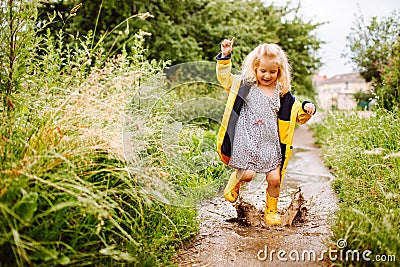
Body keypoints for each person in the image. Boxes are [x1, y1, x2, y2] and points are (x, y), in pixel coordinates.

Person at [216, 38, 316, 225]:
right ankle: (235, 183)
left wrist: (307, 108)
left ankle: (271, 210)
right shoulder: (245, 85)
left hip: (271, 143)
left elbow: (297, 114)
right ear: (255, 68)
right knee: (248, 175)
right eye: (263, 71)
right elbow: (225, 79)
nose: (267, 75)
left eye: (272, 71)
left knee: (274, 179)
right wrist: (225, 57)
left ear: (280, 72)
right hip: (247, 140)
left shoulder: (283, 94)